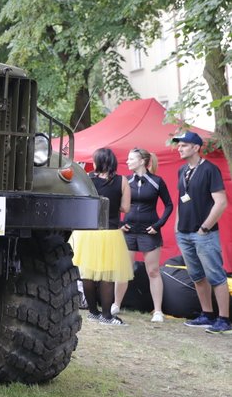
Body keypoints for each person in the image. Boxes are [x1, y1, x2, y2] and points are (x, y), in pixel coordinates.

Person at [172, 131, 231, 334]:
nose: (179, 148)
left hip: (204, 233)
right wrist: (177, 227)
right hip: (185, 233)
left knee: (216, 275)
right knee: (197, 276)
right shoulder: (182, 170)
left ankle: (224, 319)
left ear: (196, 148)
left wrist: (205, 227)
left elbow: (221, 202)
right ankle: (207, 314)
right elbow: (181, 199)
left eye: (183, 145)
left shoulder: (209, 170)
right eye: (178, 145)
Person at [72, 147, 133, 325]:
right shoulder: (123, 181)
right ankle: (107, 315)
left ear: (98, 161)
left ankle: (93, 312)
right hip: (110, 231)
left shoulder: (87, 178)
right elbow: (125, 208)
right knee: (107, 275)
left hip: (87, 232)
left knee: (87, 274)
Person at [120, 148, 173, 323]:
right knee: (123, 270)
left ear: (142, 161)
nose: (127, 162)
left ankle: (158, 311)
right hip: (129, 232)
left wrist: (158, 226)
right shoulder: (126, 181)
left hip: (149, 232)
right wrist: (120, 224)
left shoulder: (157, 181)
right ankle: (115, 305)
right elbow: (114, 204)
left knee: (153, 270)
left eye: (130, 159)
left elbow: (169, 205)